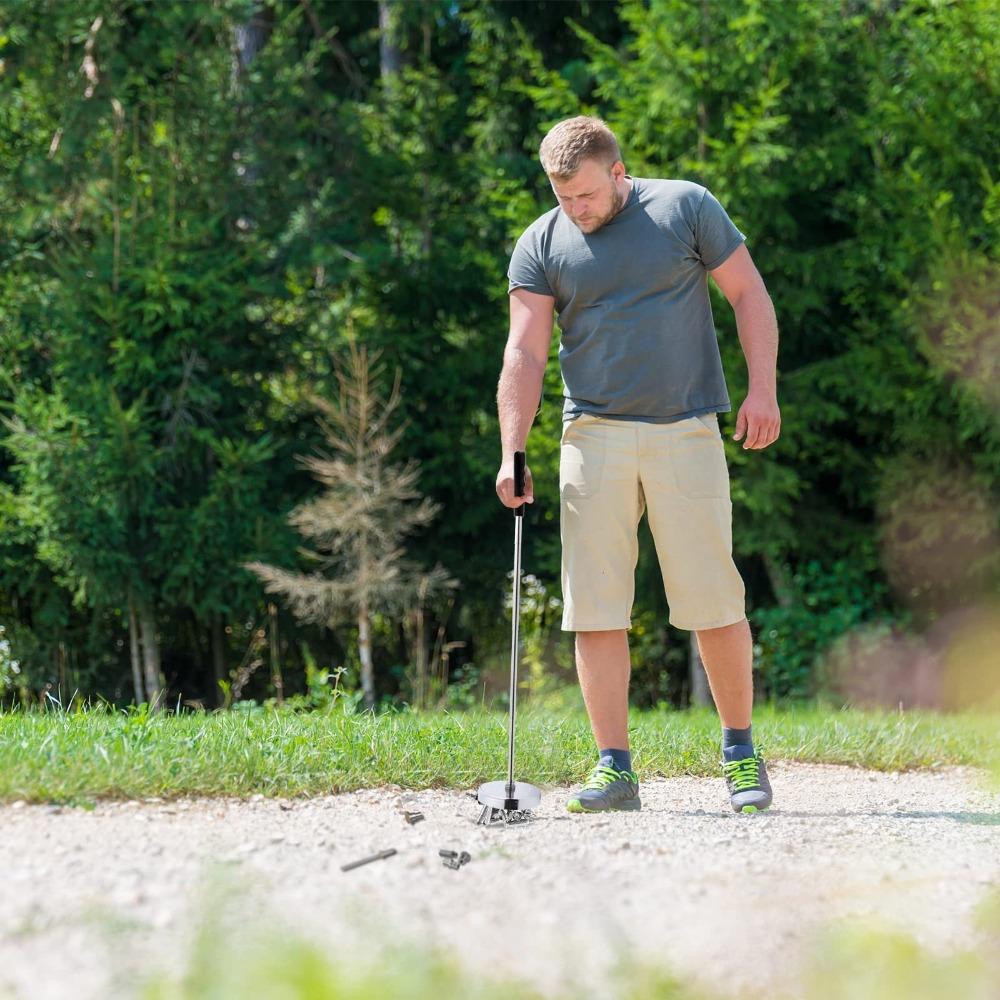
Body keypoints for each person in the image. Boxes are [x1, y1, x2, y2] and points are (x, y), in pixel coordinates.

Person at [494, 116, 780, 815]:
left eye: (586, 196)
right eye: (563, 198)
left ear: (619, 173)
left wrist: (763, 389)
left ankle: (741, 753)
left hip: (686, 430)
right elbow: (524, 353)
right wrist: (513, 448)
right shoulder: (542, 242)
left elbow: (749, 294)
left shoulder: (685, 206)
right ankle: (614, 769)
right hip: (591, 438)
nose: (576, 210)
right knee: (595, 607)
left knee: (713, 599)